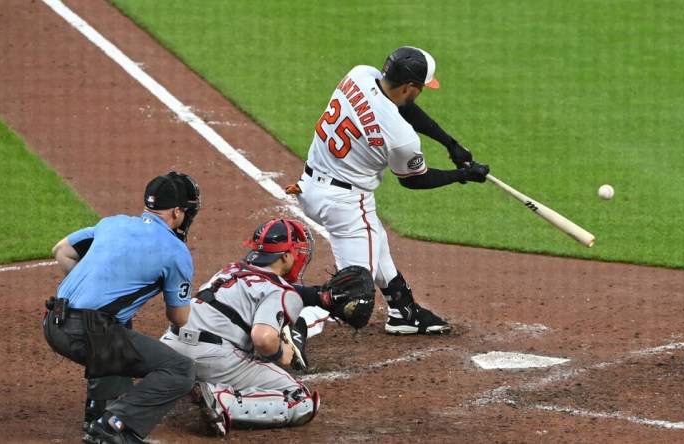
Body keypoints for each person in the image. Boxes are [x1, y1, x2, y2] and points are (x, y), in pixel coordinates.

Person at [286, 46, 490, 336]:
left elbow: (401, 106)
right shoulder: (401, 138)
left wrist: (449, 143)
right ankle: (291, 329)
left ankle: (403, 312)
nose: (420, 92)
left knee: (376, 241)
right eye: (420, 88)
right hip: (344, 205)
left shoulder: (359, 75)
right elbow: (414, 180)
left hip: (310, 187)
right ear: (410, 86)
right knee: (352, 289)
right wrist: (462, 175)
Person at [43, 171, 201, 444]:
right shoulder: (176, 251)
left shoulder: (111, 223)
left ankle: (98, 413)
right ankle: (114, 426)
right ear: (177, 212)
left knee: (117, 328)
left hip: (53, 321)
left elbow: (62, 250)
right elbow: (179, 317)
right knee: (181, 370)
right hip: (87, 334)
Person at [160, 218, 324, 436]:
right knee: (301, 400)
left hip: (169, 348)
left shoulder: (231, 268)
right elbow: (263, 339)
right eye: (297, 250)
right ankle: (223, 401)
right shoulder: (282, 292)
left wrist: (318, 296)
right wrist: (281, 353)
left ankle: (189, 381)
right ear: (285, 255)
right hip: (212, 358)